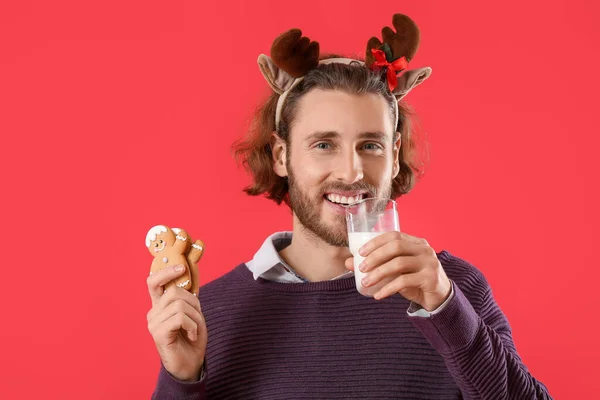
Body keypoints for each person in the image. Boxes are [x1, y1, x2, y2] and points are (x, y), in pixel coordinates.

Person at [146, 14, 552, 399]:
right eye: (324, 145)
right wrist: (181, 380)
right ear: (281, 155)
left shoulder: (454, 289)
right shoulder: (210, 314)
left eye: (370, 145)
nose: (353, 171)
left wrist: (447, 310)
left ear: (394, 155)